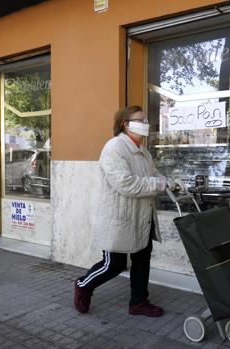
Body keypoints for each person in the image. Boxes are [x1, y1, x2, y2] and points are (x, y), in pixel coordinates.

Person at [73, 105, 186, 317]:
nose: (146, 124)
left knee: (142, 261)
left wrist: (170, 182)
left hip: (142, 216)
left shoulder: (143, 151)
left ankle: (138, 302)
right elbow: (127, 184)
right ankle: (83, 284)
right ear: (126, 124)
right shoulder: (114, 148)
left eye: (145, 120)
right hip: (120, 217)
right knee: (113, 265)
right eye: (141, 120)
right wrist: (160, 185)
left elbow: (152, 175)